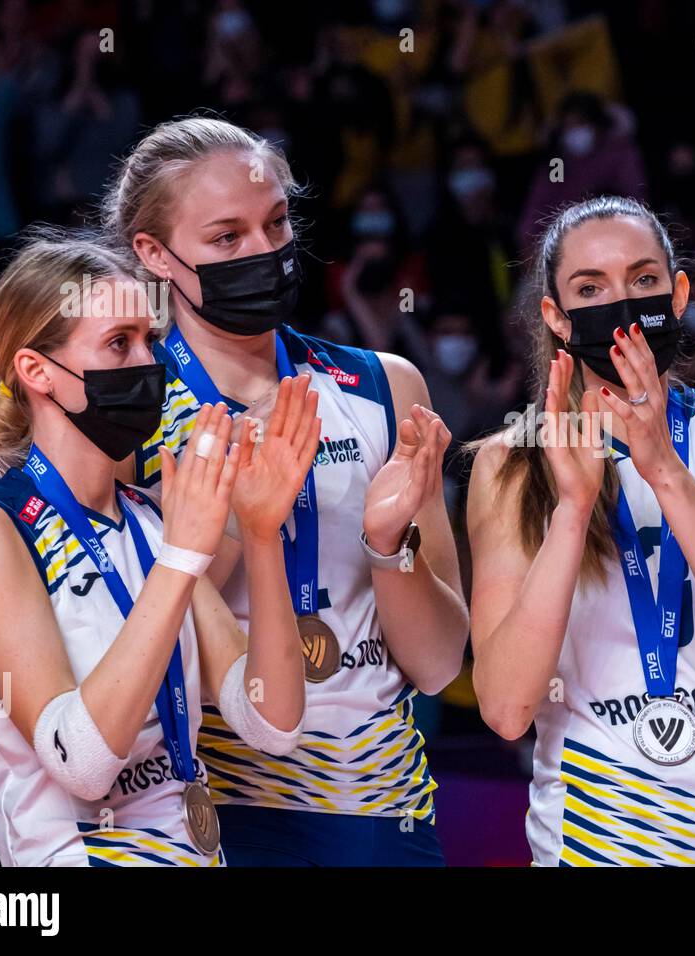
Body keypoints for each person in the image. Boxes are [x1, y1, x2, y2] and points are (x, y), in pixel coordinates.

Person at [105, 117, 467, 866]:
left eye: (275, 224)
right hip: (218, 814)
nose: (263, 252)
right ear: (154, 254)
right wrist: (243, 522)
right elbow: (128, 663)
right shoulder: (124, 419)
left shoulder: (383, 387)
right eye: (227, 237)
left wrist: (388, 546)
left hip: (386, 816)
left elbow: (438, 665)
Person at [0, 234, 319, 866]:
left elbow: (272, 723)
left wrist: (258, 533)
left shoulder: (151, 517)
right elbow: (80, 762)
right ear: (37, 371)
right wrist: (181, 557)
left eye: (150, 338)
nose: (149, 362)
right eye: (120, 342)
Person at [468, 196, 695, 866]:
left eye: (643, 280)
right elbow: (506, 709)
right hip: (594, 842)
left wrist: (666, 472)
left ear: (677, 295)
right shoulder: (511, 461)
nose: (621, 304)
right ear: (556, 316)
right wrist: (571, 511)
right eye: (591, 288)